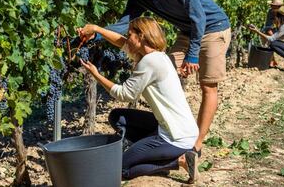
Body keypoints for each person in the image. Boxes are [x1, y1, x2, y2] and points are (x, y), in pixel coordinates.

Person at [78, 0, 231, 156]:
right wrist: (94, 36)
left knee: (207, 85)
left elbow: (198, 16)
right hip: (187, 31)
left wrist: (192, 54)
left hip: (213, 27)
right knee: (164, 71)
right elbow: (124, 24)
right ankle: (173, 133)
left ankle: (196, 146)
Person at [79, 17, 200, 183]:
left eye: (130, 35)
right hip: (179, 127)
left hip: (176, 137)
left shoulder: (149, 62)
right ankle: (149, 152)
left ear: (141, 36)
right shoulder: (158, 56)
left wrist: (96, 75)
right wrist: (96, 28)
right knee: (117, 117)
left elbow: (124, 94)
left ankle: (178, 161)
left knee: (119, 169)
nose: (127, 39)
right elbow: (121, 43)